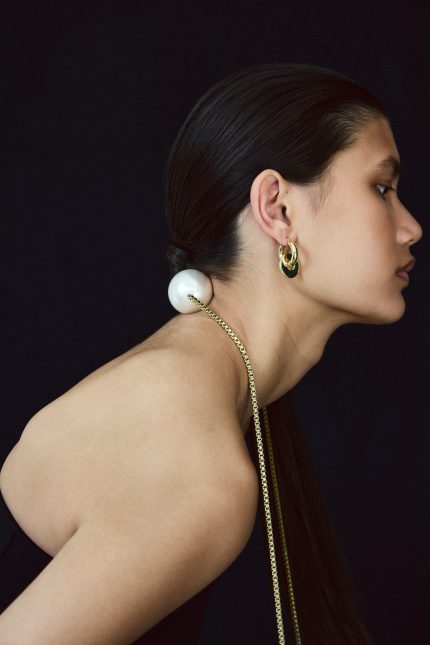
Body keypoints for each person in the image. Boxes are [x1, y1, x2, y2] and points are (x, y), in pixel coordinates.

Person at [0, 62, 422, 644]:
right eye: (381, 188)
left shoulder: (194, 388)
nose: (411, 228)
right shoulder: (192, 459)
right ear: (278, 209)